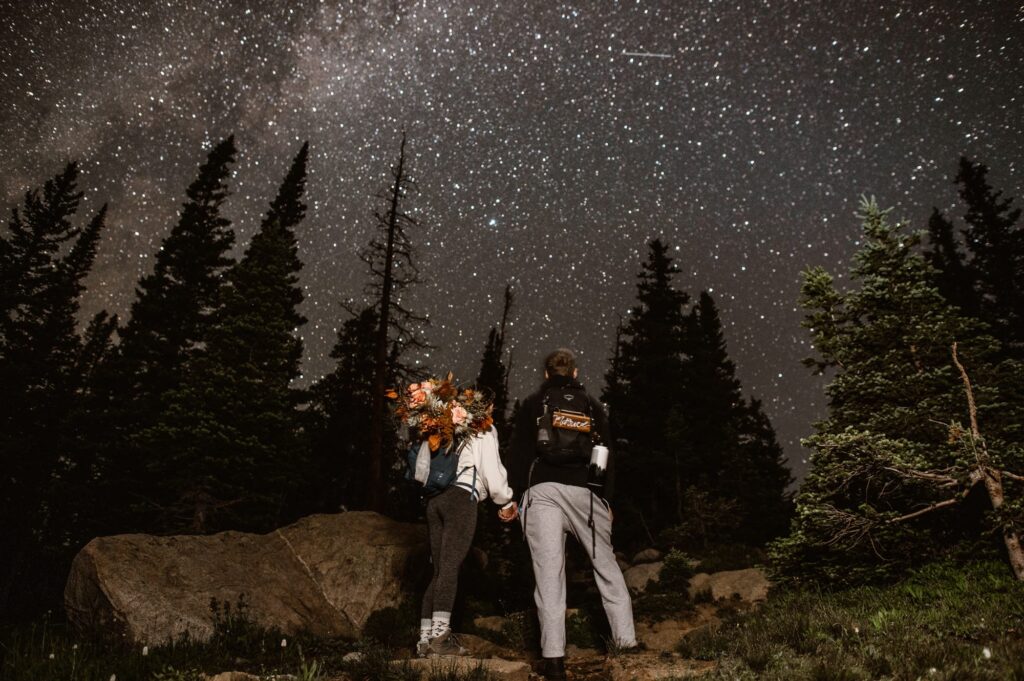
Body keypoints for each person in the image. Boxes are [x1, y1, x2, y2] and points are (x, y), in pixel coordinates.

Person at [509, 349, 637, 680]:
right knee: (606, 567)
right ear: (576, 374)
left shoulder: (533, 403)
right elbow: (604, 452)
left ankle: (554, 660)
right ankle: (627, 645)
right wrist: (604, 500)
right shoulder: (592, 406)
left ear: (548, 375)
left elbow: (519, 452)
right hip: (585, 492)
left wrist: (515, 497)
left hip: (543, 492)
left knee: (549, 575)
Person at [415, 424, 519, 657]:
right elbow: (491, 470)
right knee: (450, 568)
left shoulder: (445, 426)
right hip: (461, 499)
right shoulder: (482, 427)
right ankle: (440, 640)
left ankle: (424, 640)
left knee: (439, 571)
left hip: (435, 501)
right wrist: (505, 501)